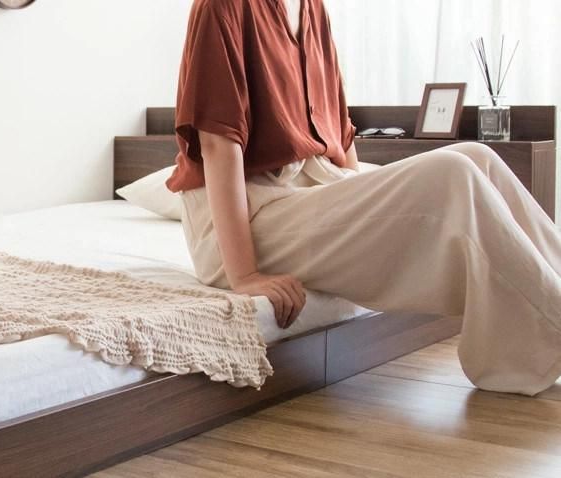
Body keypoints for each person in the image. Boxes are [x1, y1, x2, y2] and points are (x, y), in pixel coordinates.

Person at [164, 0, 561, 397]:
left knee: (477, 157)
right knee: (452, 176)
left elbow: (339, 137)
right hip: (245, 215)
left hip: (313, 185)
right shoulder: (222, 6)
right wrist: (245, 276)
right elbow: (217, 146)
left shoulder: (311, 8)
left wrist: (370, 205)